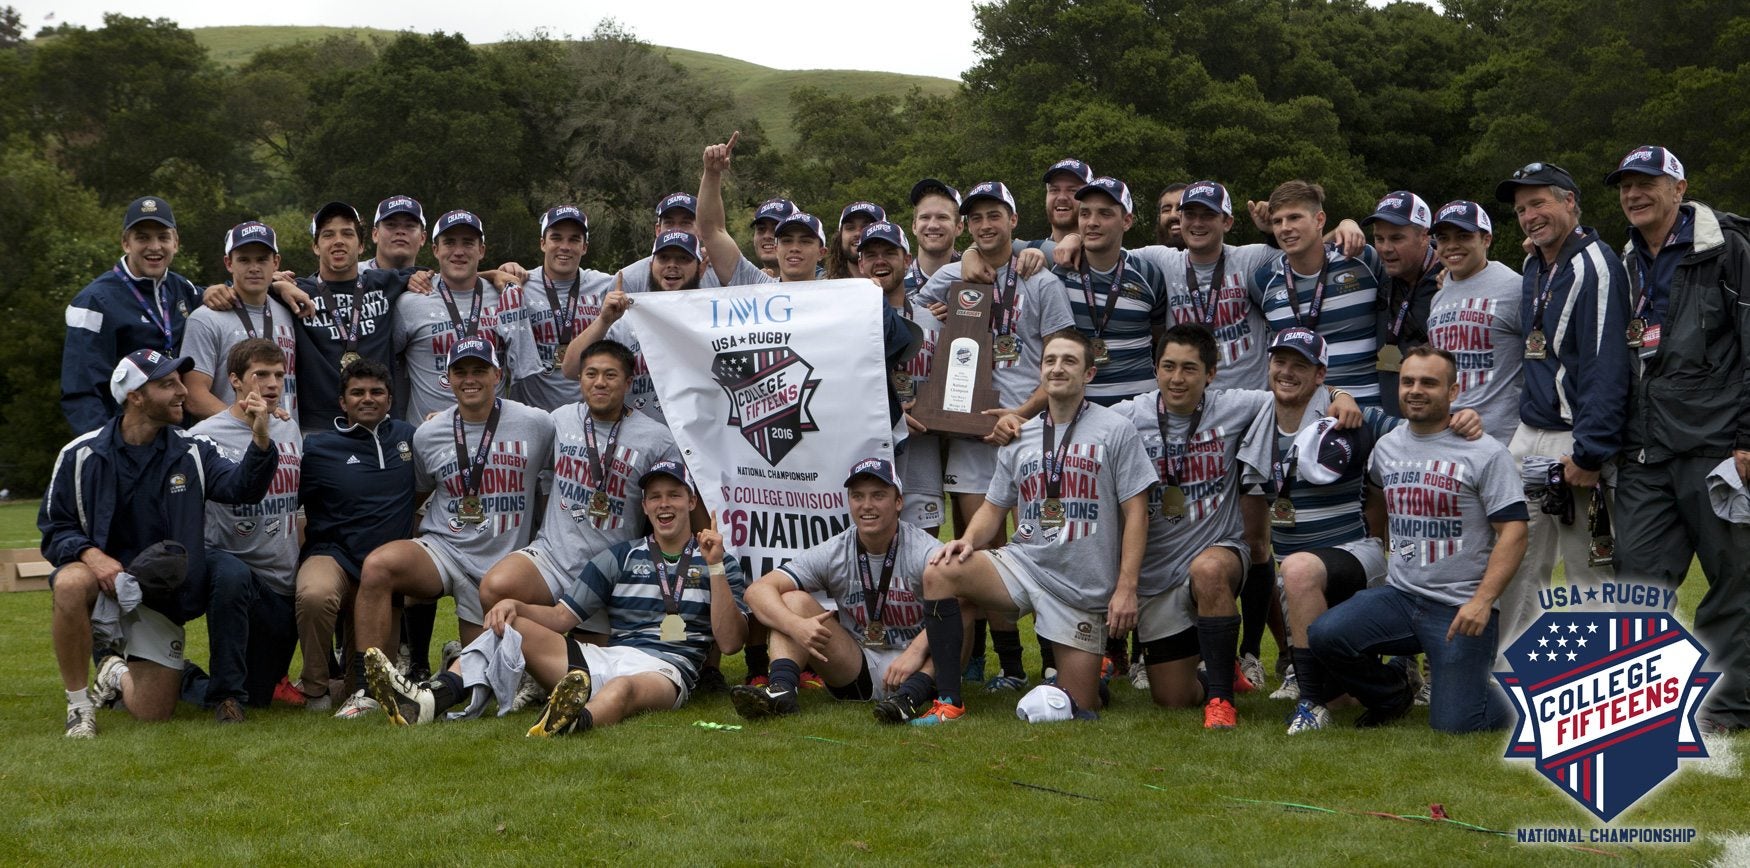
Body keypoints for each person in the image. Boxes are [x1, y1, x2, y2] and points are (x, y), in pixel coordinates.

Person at [362, 460, 748, 735]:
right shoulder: (620, 556)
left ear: (691, 503)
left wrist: (714, 567)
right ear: (644, 506)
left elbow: (730, 642)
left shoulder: (719, 561)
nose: (665, 504)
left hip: (667, 669)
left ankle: (572, 722)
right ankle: (430, 700)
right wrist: (516, 606)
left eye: (674, 496)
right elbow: (562, 618)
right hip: (608, 657)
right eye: (655, 497)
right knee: (509, 626)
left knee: (625, 689)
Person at [912, 329, 1156, 723]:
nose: (1057, 368)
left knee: (1079, 706)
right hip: (1024, 565)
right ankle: (948, 701)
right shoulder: (1020, 434)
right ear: (1040, 371)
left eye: (1069, 361)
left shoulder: (1116, 430)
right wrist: (967, 540)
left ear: (1089, 374)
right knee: (941, 571)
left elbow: (1137, 512)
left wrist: (1126, 587)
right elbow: (994, 506)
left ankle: (1091, 682)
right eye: (1050, 361)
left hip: (1080, 586)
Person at [41, 349, 277, 737]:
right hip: (100, 579)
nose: (183, 391)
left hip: (159, 594)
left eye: (181, 381)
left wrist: (261, 441)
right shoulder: (80, 454)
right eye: (168, 384)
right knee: (69, 582)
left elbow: (243, 489)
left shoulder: (193, 451)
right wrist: (92, 556)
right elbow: (55, 527)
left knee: (153, 713)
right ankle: (79, 708)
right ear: (135, 395)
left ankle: (114, 672)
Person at [1605, 145, 1750, 733]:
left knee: (1734, 580)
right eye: (1625, 186)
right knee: (1637, 578)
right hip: (1643, 448)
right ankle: (1644, 706)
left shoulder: (1730, 250)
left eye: (1646, 184)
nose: (1633, 195)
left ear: (1679, 188)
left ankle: (1730, 707)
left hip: (1717, 446)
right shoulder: (1624, 260)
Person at [1308, 346, 1528, 733]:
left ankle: (1524, 696)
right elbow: (1376, 493)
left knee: (1456, 724)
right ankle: (1392, 693)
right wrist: (1380, 545)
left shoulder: (1486, 452)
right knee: (1326, 634)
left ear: (1453, 391)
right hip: (1401, 596)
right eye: (1408, 381)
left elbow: (1513, 531)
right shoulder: (1388, 446)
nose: (1415, 390)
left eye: (1429, 382)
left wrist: (1482, 602)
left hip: (1459, 606)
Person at [918, 180, 1077, 691]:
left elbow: (1060, 359)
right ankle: (1002, 666)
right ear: (967, 227)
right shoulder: (949, 274)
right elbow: (907, 313)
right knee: (983, 552)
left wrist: (1023, 415)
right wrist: (952, 285)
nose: (986, 226)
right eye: (976, 219)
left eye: (995, 216)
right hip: (970, 434)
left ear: (1013, 219)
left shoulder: (1041, 278)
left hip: (1030, 430)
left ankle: (1053, 659)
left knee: (1042, 544)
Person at [1110, 324, 1303, 726]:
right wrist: (1017, 422)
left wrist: (1339, 396)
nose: (1176, 379)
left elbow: (1294, 392)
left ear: (1211, 374)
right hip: (1158, 575)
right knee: (1173, 699)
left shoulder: (1238, 406)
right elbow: (1074, 421)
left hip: (1220, 550)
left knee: (1209, 570)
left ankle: (1221, 700)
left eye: (1189, 369)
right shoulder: (1129, 416)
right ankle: (1216, 667)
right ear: (1155, 368)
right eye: (1168, 367)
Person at [347, 338, 555, 706]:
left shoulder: (537, 424)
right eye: (461, 372)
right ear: (448, 379)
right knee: (380, 565)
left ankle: (456, 660)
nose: (469, 379)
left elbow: (556, 480)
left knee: (480, 686)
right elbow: (419, 494)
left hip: (503, 561)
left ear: (498, 374)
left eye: (479, 370)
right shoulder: (428, 433)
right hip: (444, 549)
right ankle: (370, 687)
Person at [1492, 161, 1630, 651]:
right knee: (1517, 558)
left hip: (1575, 437)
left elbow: (1606, 363)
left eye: (1539, 203)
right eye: (1521, 209)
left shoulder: (1596, 265)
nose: (1529, 216)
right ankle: (1507, 679)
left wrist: (1591, 452)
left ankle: (1604, 683)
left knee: (1588, 567)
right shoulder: (1535, 263)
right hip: (1532, 436)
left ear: (1570, 201)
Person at [731, 457, 941, 722]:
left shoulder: (924, 549)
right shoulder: (837, 550)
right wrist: (796, 626)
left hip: (923, 665)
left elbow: (965, 600)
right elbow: (757, 591)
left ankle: (909, 698)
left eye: (878, 496)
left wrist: (916, 651)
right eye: (858, 496)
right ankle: (781, 692)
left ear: (899, 502)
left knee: (958, 608)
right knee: (792, 600)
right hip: (859, 666)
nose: (867, 505)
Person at [480, 339, 677, 615]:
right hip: (552, 557)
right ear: (580, 378)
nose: (600, 382)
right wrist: (451, 415)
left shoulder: (658, 440)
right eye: (591, 374)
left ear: (629, 382)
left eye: (610, 375)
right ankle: (518, 656)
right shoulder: (560, 419)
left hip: (610, 570)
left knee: (585, 659)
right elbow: (506, 424)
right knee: (496, 587)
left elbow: (675, 508)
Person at [294, 358, 419, 714]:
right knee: (315, 594)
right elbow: (290, 505)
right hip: (332, 555)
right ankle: (315, 689)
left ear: (390, 399)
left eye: (377, 391)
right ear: (342, 402)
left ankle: (346, 684)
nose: (368, 398)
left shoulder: (409, 438)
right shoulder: (317, 448)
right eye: (357, 392)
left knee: (367, 689)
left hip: (382, 574)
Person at [188, 339, 304, 721]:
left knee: (259, 695)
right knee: (233, 575)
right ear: (235, 381)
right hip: (229, 571)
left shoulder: (289, 429)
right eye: (261, 375)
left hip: (279, 581)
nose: (272, 384)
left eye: (279, 375)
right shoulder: (203, 436)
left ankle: (180, 677)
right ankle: (225, 700)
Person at [61, 196, 203, 433]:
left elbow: (229, 294)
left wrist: (275, 285)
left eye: (163, 237)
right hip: (125, 441)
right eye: (143, 237)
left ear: (176, 242)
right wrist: (105, 448)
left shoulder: (182, 288)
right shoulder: (94, 301)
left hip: (176, 441)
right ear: (126, 243)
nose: (155, 247)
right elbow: (81, 391)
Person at [280, 201, 423, 436]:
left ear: (361, 245)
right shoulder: (297, 292)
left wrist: (492, 274)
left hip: (381, 425)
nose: (338, 241)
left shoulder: (384, 283)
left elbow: (454, 276)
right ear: (315, 247)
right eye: (328, 235)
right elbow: (244, 286)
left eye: (347, 233)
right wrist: (275, 284)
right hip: (319, 429)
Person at [392, 209, 539, 422]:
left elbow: (523, 370)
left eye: (468, 243)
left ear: (481, 250)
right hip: (429, 439)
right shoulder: (410, 302)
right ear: (435, 250)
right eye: (450, 243)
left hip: (492, 436)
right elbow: (389, 366)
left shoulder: (505, 298)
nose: (458, 251)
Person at [1256, 180, 1390, 406]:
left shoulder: (1361, 259)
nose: (1284, 227)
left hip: (1367, 408)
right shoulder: (1264, 281)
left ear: (1319, 220)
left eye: (1294, 217)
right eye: (1277, 221)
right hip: (1305, 414)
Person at [1048, 176, 1170, 405]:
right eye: (1085, 213)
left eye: (1105, 214)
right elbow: (1004, 248)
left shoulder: (1149, 274)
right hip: (1079, 408)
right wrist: (973, 252)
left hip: (1141, 408)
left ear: (1127, 221)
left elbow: (1160, 339)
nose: (1092, 222)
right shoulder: (1057, 272)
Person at [862, 221, 945, 535]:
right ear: (860, 264)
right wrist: (892, 418)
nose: (879, 260)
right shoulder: (847, 320)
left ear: (908, 260)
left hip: (923, 464)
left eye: (889, 252)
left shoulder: (934, 321)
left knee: (923, 567)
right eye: (871, 255)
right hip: (870, 469)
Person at [1425, 200, 1524, 445]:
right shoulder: (1438, 297)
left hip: (1499, 438)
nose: (1451, 246)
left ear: (1486, 239)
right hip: (1446, 436)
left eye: (1463, 236)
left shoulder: (1515, 287)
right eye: (1443, 238)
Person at [180, 222, 300, 423]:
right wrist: (245, 421)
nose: (254, 268)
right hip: (230, 445)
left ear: (276, 262)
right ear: (228, 263)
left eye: (262, 259)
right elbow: (194, 396)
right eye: (244, 260)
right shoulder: (205, 319)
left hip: (286, 442)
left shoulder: (289, 309)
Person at [512, 205, 616, 412]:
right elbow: (466, 280)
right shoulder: (519, 284)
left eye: (574, 239)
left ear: (584, 247)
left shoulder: (605, 285)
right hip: (533, 414)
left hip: (588, 416)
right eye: (556, 238)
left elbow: (654, 281)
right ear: (543, 243)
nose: (565, 246)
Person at [1360, 191, 1440, 416]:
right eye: (1379, 238)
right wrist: (1344, 226)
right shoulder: (1377, 273)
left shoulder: (1451, 279)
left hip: (1435, 425)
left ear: (1424, 236)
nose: (1385, 248)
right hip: (1390, 424)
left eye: (1396, 238)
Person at [906, 179, 962, 294]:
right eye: (925, 217)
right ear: (914, 226)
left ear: (959, 227)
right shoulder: (896, 283)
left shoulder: (975, 276)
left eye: (942, 217)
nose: (932, 225)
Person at [359, 195, 427, 271]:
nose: (400, 231)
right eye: (391, 224)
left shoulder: (434, 282)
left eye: (409, 226)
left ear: (422, 238)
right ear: (375, 234)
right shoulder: (349, 276)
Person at [1038, 158, 1095, 246]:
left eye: (1072, 190)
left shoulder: (1113, 258)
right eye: (1054, 190)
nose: (1062, 197)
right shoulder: (1032, 255)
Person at [828, 200, 886, 279]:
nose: (858, 233)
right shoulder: (823, 288)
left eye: (867, 227)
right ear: (840, 236)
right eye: (850, 228)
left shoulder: (905, 288)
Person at [750, 197, 798, 276]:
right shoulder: (746, 283)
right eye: (761, 229)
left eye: (776, 229)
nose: (767, 236)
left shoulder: (822, 282)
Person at [1155, 183, 1188, 249]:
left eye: (1181, 208)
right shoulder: (1144, 258)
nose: (1173, 215)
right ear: (1158, 218)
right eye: (1166, 210)